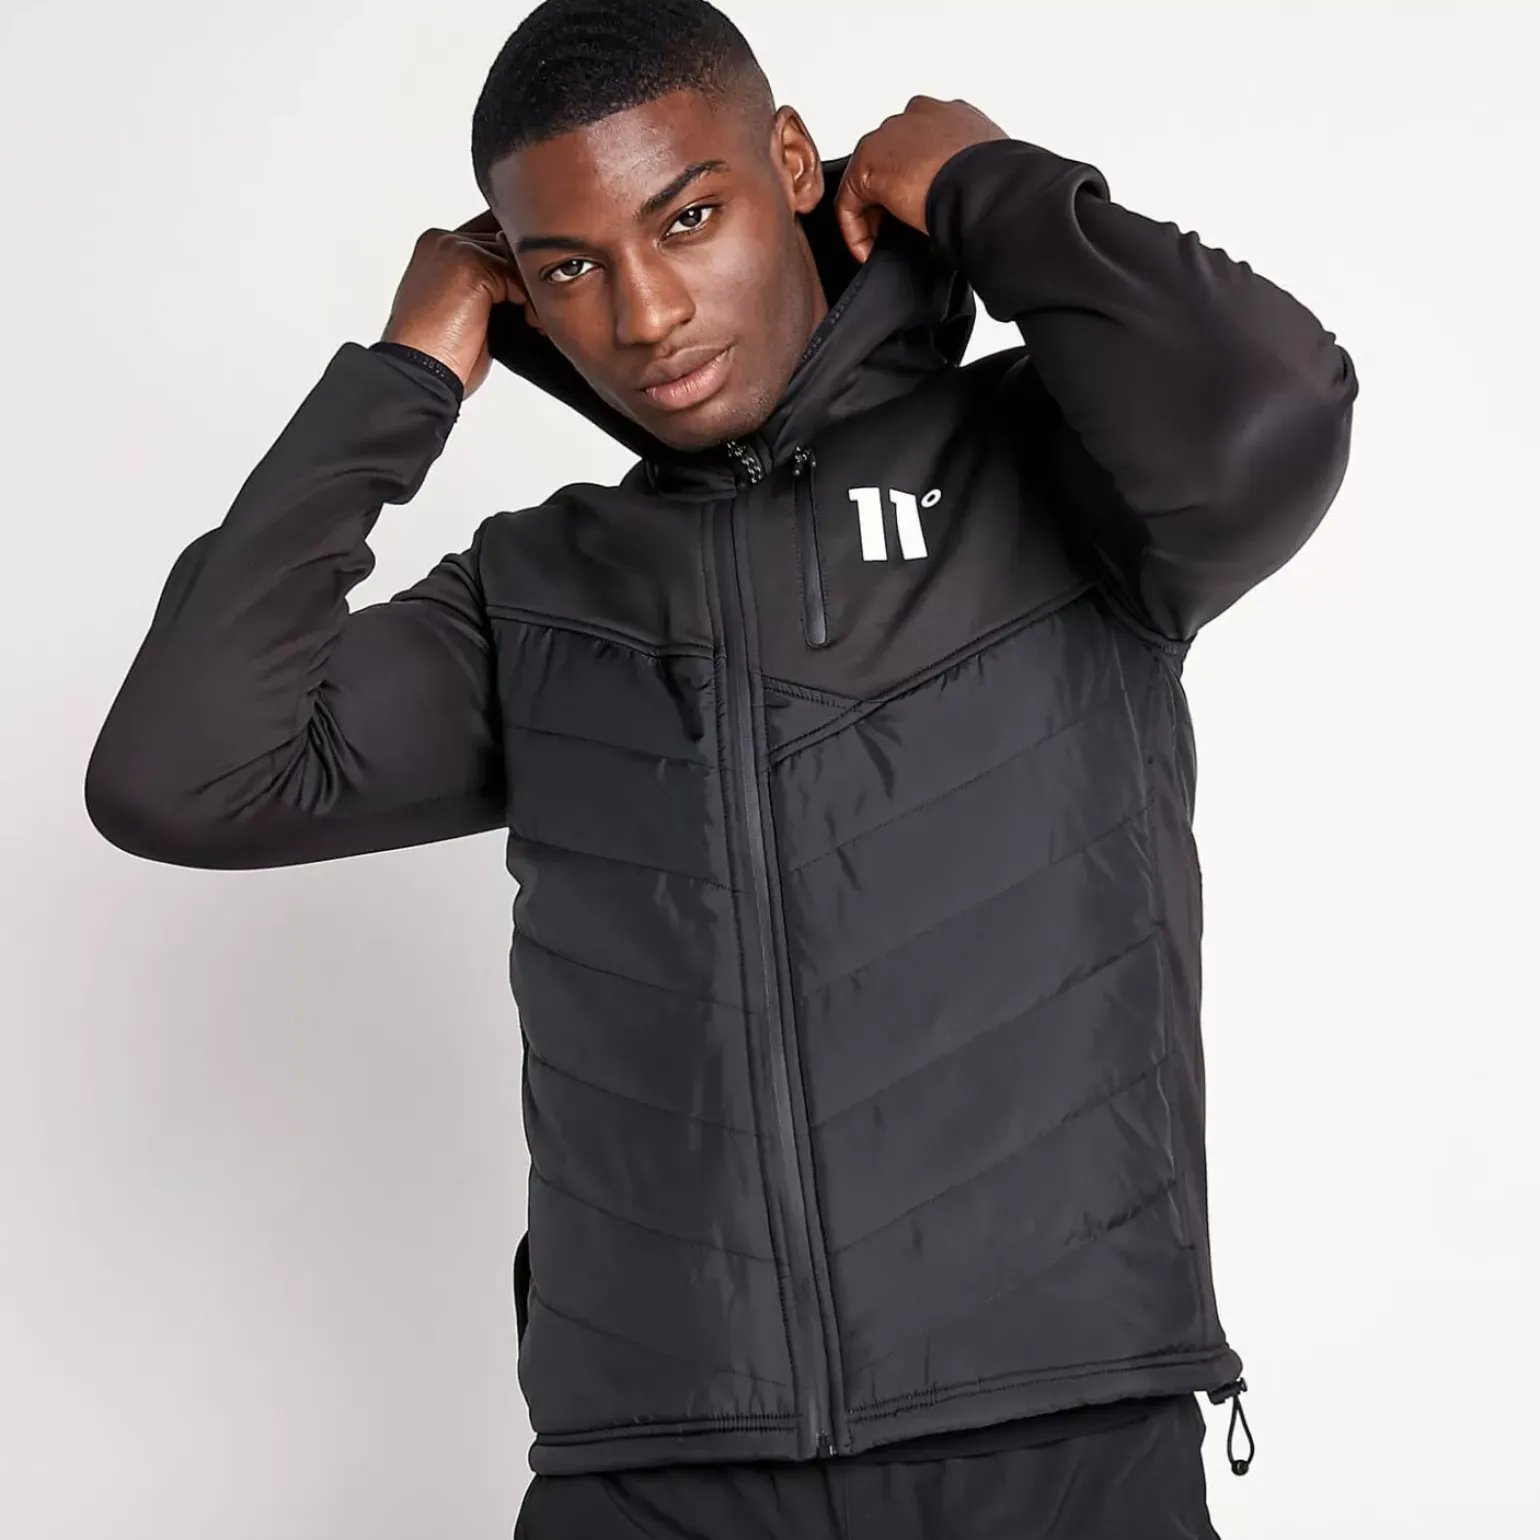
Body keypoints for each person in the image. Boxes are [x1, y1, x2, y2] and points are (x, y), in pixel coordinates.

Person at [83, 0, 1357, 1533]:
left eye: (687, 218)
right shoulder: (537, 595)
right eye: (570, 267)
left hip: (1055, 1443)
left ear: (793, 167)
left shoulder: (1053, 469)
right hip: (656, 1474)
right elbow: (183, 772)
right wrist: (402, 376)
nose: (646, 313)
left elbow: (1276, 417)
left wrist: (993, 186)